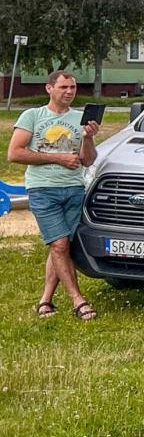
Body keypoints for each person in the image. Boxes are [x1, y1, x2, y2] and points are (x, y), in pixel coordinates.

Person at [9, 71, 101, 320]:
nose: (69, 91)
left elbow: (87, 161)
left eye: (72, 87)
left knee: (60, 246)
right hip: (43, 189)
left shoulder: (79, 118)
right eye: (63, 87)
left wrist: (89, 138)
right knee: (59, 244)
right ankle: (78, 300)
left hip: (73, 189)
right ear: (50, 88)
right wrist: (58, 157)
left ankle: (45, 301)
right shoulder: (33, 116)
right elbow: (15, 153)